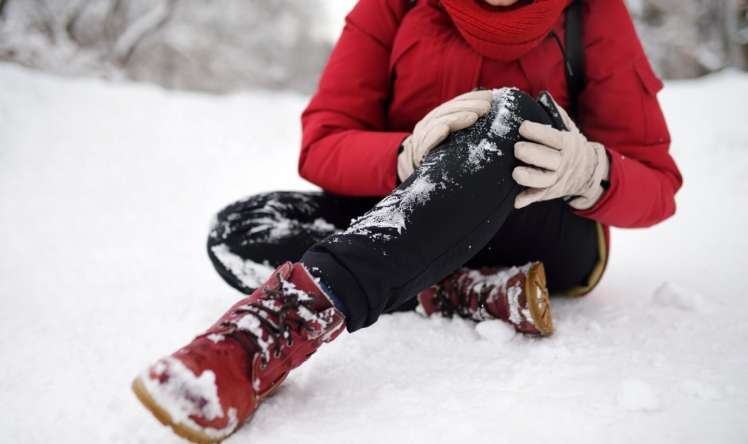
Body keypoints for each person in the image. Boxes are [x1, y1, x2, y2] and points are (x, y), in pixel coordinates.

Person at [131, 0, 682, 442]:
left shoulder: (593, 12)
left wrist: (591, 171)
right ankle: (451, 290)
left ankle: (278, 326)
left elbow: (659, 183)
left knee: (509, 117)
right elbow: (323, 141)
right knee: (243, 230)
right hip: (407, 210)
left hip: (541, 232)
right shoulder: (392, 5)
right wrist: (404, 154)